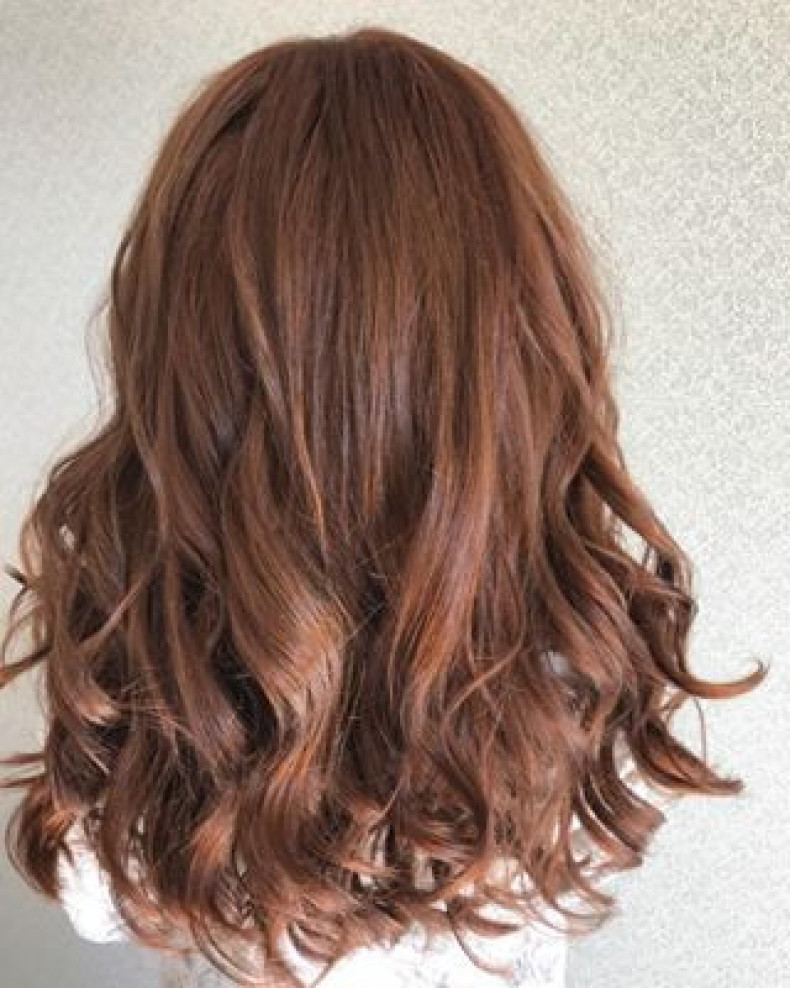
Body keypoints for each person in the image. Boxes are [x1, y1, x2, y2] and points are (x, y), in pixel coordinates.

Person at [0, 24, 766, 988]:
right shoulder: (579, 663)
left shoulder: (134, 662)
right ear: (515, 343)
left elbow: (100, 898)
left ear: (181, 360)